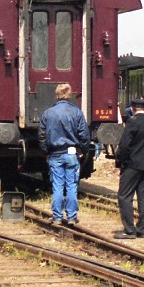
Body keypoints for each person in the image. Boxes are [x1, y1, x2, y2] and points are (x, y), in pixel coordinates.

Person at [38, 83, 90, 226]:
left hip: (55, 154)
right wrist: (82, 151)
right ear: (69, 96)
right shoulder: (77, 112)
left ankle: (57, 217)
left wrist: (46, 152)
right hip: (72, 154)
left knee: (58, 186)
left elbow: (41, 136)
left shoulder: (48, 113)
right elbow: (84, 135)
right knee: (72, 185)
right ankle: (72, 217)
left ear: (57, 95)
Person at [114, 98, 144, 239]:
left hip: (132, 165)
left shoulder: (132, 122)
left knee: (124, 195)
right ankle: (142, 229)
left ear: (132, 109)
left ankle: (129, 229)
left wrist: (119, 161)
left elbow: (125, 146)